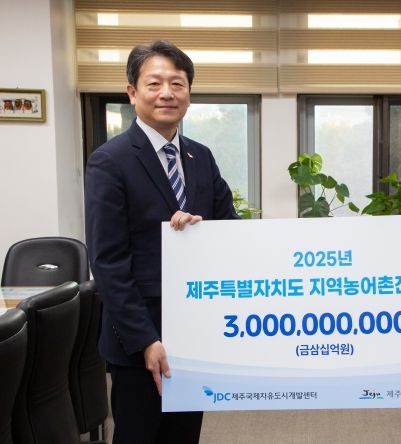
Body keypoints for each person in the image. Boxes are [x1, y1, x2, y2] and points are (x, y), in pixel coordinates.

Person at [84, 40, 239, 443]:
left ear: (189, 93)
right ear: (132, 92)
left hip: (195, 332)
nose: (167, 93)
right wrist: (146, 340)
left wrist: (203, 228)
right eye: (154, 84)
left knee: (183, 436)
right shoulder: (110, 161)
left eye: (177, 83)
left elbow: (232, 231)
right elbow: (107, 262)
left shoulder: (201, 156)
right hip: (141, 340)